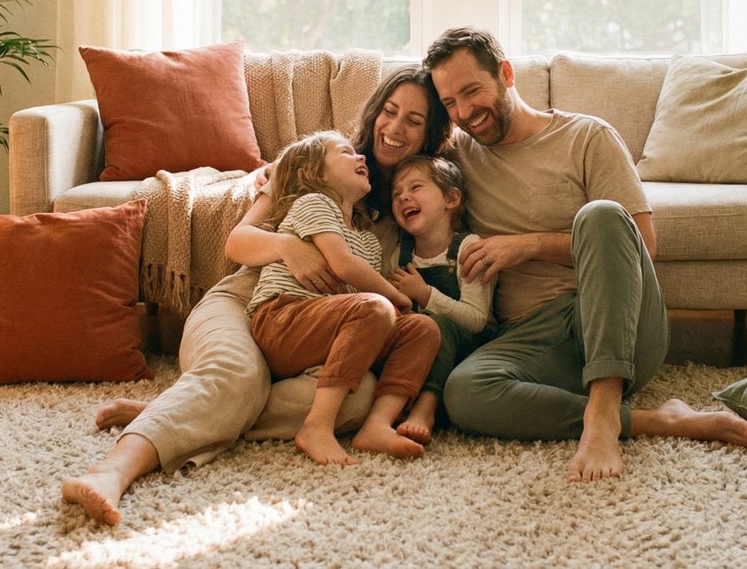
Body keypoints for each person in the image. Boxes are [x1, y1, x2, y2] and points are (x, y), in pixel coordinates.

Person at [62, 68, 449, 525]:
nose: (395, 128)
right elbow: (238, 241)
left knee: (359, 396)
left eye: (414, 120)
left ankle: (186, 405)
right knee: (239, 375)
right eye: (389, 111)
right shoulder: (315, 169)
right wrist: (287, 245)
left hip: (322, 326)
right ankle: (113, 471)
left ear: (430, 136)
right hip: (249, 303)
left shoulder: (412, 198)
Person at [422, 27, 747, 484]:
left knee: (601, 215)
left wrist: (530, 245)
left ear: (506, 73)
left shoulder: (587, 137)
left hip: (614, 323)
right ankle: (657, 419)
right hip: (532, 338)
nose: (464, 112)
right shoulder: (457, 158)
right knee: (463, 393)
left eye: (471, 91)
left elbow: (642, 245)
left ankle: (602, 415)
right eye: (450, 103)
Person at [247, 131, 439, 465]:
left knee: (422, 329)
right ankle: (317, 426)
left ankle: (377, 424)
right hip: (282, 320)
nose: (361, 157)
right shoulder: (313, 203)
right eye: (346, 153)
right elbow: (342, 265)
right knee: (376, 306)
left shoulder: (366, 239)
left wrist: (395, 310)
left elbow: (361, 299)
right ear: (316, 174)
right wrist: (393, 295)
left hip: (331, 329)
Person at [387, 155, 494, 444]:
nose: (404, 197)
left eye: (415, 187)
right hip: (421, 352)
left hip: (466, 349)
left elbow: (476, 320)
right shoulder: (400, 254)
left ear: (451, 198)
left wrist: (425, 294)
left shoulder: (468, 248)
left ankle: (425, 408)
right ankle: (396, 403)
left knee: (439, 325)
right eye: (397, 193)